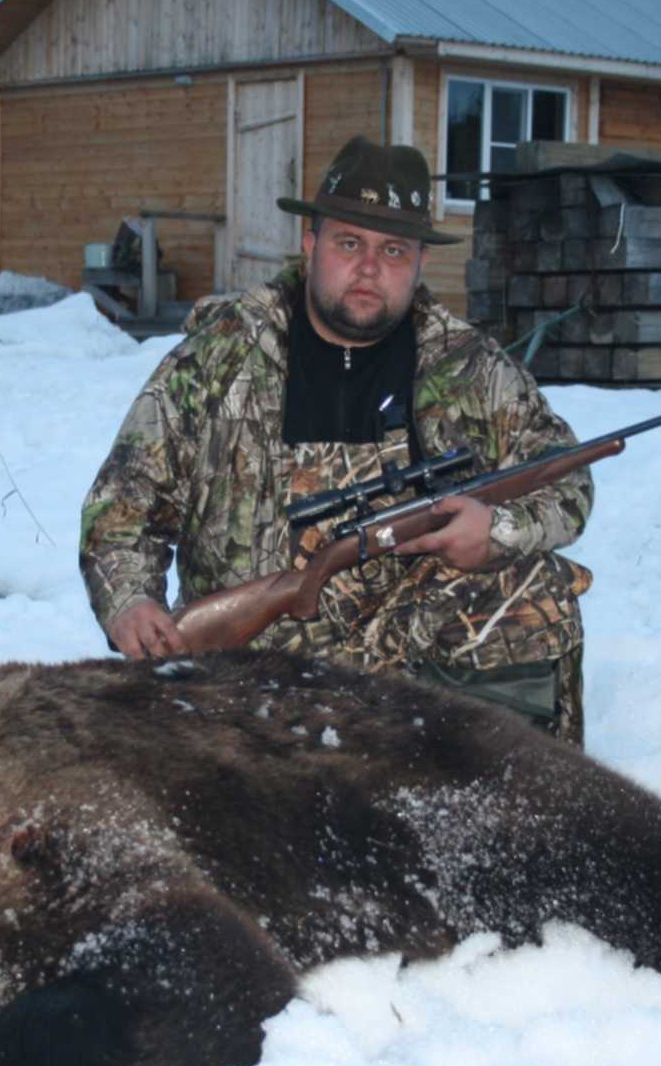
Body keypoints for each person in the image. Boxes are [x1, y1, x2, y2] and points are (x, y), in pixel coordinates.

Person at [79, 136, 594, 745]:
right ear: (310, 243)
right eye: (350, 243)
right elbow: (122, 509)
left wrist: (496, 530)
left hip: (416, 690)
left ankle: (513, 785)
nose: (370, 268)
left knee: (540, 583)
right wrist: (131, 602)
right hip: (254, 689)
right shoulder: (220, 357)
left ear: (420, 262)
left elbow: (567, 480)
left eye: (394, 250)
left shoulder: (472, 368)